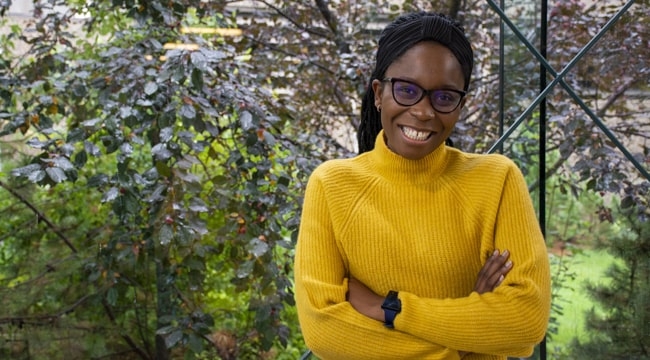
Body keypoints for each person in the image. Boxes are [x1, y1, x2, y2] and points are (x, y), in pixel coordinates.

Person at [294, 11, 551, 360]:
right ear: (377, 93)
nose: (424, 111)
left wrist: (390, 309)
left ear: (460, 105)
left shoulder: (497, 180)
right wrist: (465, 345)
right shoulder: (332, 186)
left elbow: (525, 322)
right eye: (407, 90)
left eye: (444, 97)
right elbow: (325, 331)